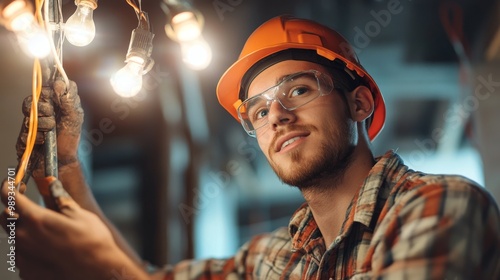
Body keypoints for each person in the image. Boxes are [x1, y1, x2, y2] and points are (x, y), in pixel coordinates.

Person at [2, 15, 500, 280]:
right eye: (258, 112)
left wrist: (107, 270)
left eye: (299, 90)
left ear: (360, 103)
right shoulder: (272, 260)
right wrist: (65, 168)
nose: (276, 116)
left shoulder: (440, 207)